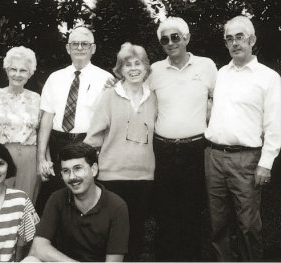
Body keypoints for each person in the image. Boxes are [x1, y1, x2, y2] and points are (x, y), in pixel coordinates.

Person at [205, 15, 281, 261]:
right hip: (214, 156)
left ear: (252, 40)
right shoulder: (220, 74)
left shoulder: (268, 78)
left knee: (248, 225)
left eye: (240, 37)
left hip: (246, 160)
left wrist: (266, 163)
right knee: (218, 225)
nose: (235, 43)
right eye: (229, 38)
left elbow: (275, 123)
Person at [147, 17, 218, 261]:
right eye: (164, 39)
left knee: (191, 211)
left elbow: (219, 100)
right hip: (162, 149)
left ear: (186, 38)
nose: (170, 42)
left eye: (175, 37)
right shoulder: (154, 70)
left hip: (196, 149)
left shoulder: (206, 66)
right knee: (164, 211)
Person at [84, 42, 156, 261]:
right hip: (112, 175)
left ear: (146, 68)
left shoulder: (154, 98)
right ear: (120, 70)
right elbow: (93, 137)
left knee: (135, 232)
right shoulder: (108, 96)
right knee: (109, 232)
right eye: (127, 65)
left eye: (138, 63)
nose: (133, 68)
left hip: (144, 177)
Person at [36, 26, 113, 215]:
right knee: (54, 199)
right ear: (68, 48)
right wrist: (41, 158)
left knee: (85, 198)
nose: (80, 48)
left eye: (84, 44)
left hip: (89, 144)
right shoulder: (55, 78)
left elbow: (110, 122)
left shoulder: (106, 79)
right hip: (58, 144)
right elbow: (47, 118)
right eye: (75, 44)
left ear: (93, 48)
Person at [24, 142, 129, 262]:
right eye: (66, 171)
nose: (72, 177)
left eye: (78, 168)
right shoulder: (57, 198)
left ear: (94, 169)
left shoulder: (116, 206)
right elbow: (37, 248)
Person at [0, 46, 41, 204]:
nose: (17, 74)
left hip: (30, 158)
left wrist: (43, 160)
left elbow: (43, 135)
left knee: (25, 205)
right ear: (6, 70)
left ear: (30, 73)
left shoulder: (37, 99)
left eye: (23, 70)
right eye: (13, 69)